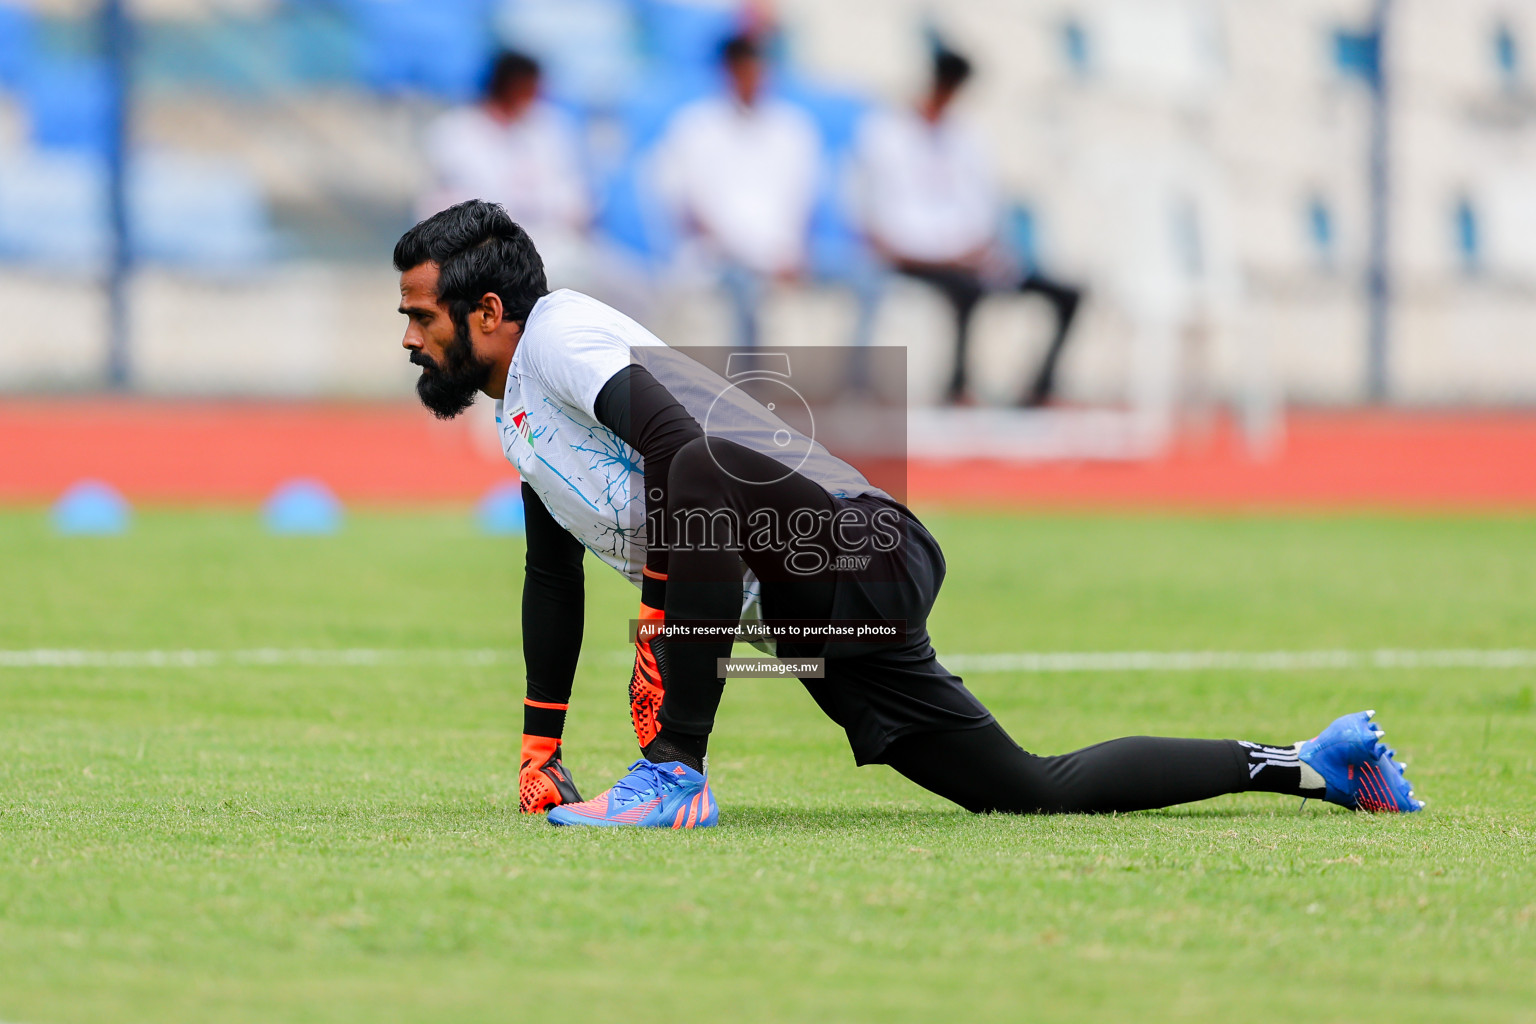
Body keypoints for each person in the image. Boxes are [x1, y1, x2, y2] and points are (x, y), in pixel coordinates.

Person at [392, 200, 1425, 828]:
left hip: (856, 542)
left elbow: (689, 457)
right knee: (1027, 790)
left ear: (490, 312)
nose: (408, 336)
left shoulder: (563, 334)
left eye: (421, 314)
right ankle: (1310, 764)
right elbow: (551, 575)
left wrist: (664, 626)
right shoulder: (519, 415)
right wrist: (539, 751)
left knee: (695, 462)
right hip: (812, 605)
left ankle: (674, 776)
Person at [851, 46, 1083, 406]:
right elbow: (877, 221)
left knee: (1067, 293)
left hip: (966, 256)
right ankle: (957, 388)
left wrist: (978, 247)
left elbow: (984, 206)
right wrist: (943, 254)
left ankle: (1039, 389)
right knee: (966, 289)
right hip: (914, 259)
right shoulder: (884, 134)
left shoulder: (966, 137)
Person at [651, 32, 821, 348]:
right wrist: (758, 257)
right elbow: (692, 213)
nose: (753, 79)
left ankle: (855, 390)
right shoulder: (694, 128)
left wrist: (788, 254)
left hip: (784, 253)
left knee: (864, 277)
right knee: (745, 288)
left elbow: (801, 203)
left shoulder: (793, 129)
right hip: (720, 257)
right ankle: (747, 387)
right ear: (728, 72)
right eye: (744, 70)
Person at [417, 50, 590, 284]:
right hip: (478, 251)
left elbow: (574, 199)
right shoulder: (454, 132)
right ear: (510, 86)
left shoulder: (549, 127)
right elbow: (458, 209)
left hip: (551, 244)